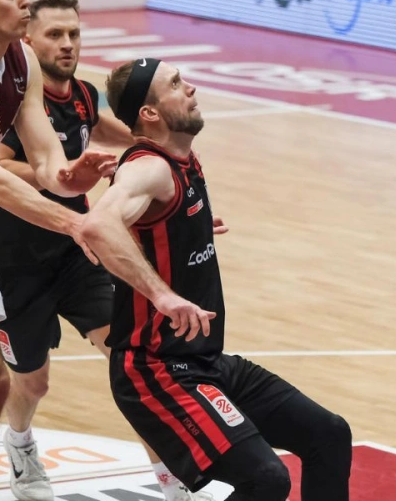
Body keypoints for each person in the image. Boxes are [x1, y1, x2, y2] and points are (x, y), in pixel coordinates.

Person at [0, 0, 211, 501]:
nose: (67, 44)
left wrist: (172, 185)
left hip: (77, 250)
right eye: (55, 35)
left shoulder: (82, 94)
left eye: (74, 34)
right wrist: (58, 174)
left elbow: (121, 133)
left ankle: (172, 483)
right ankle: (20, 443)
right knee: (32, 383)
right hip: (11, 263)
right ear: (27, 41)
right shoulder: (19, 104)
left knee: (132, 364)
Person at [83, 59, 353, 500]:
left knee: (329, 434)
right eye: (175, 84)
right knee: (266, 479)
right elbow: (97, 226)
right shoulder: (150, 167)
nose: (190, 87)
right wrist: (162, 296)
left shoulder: (184, 160)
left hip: (204, 361)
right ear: (149, 113)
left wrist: (189, 229)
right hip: (156, 370)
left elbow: (147, 226)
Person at [0, 0, 114, 501]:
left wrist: (73, 176)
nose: (25, 0)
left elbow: (45, 163)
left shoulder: (21, 60)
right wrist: (77, 223)